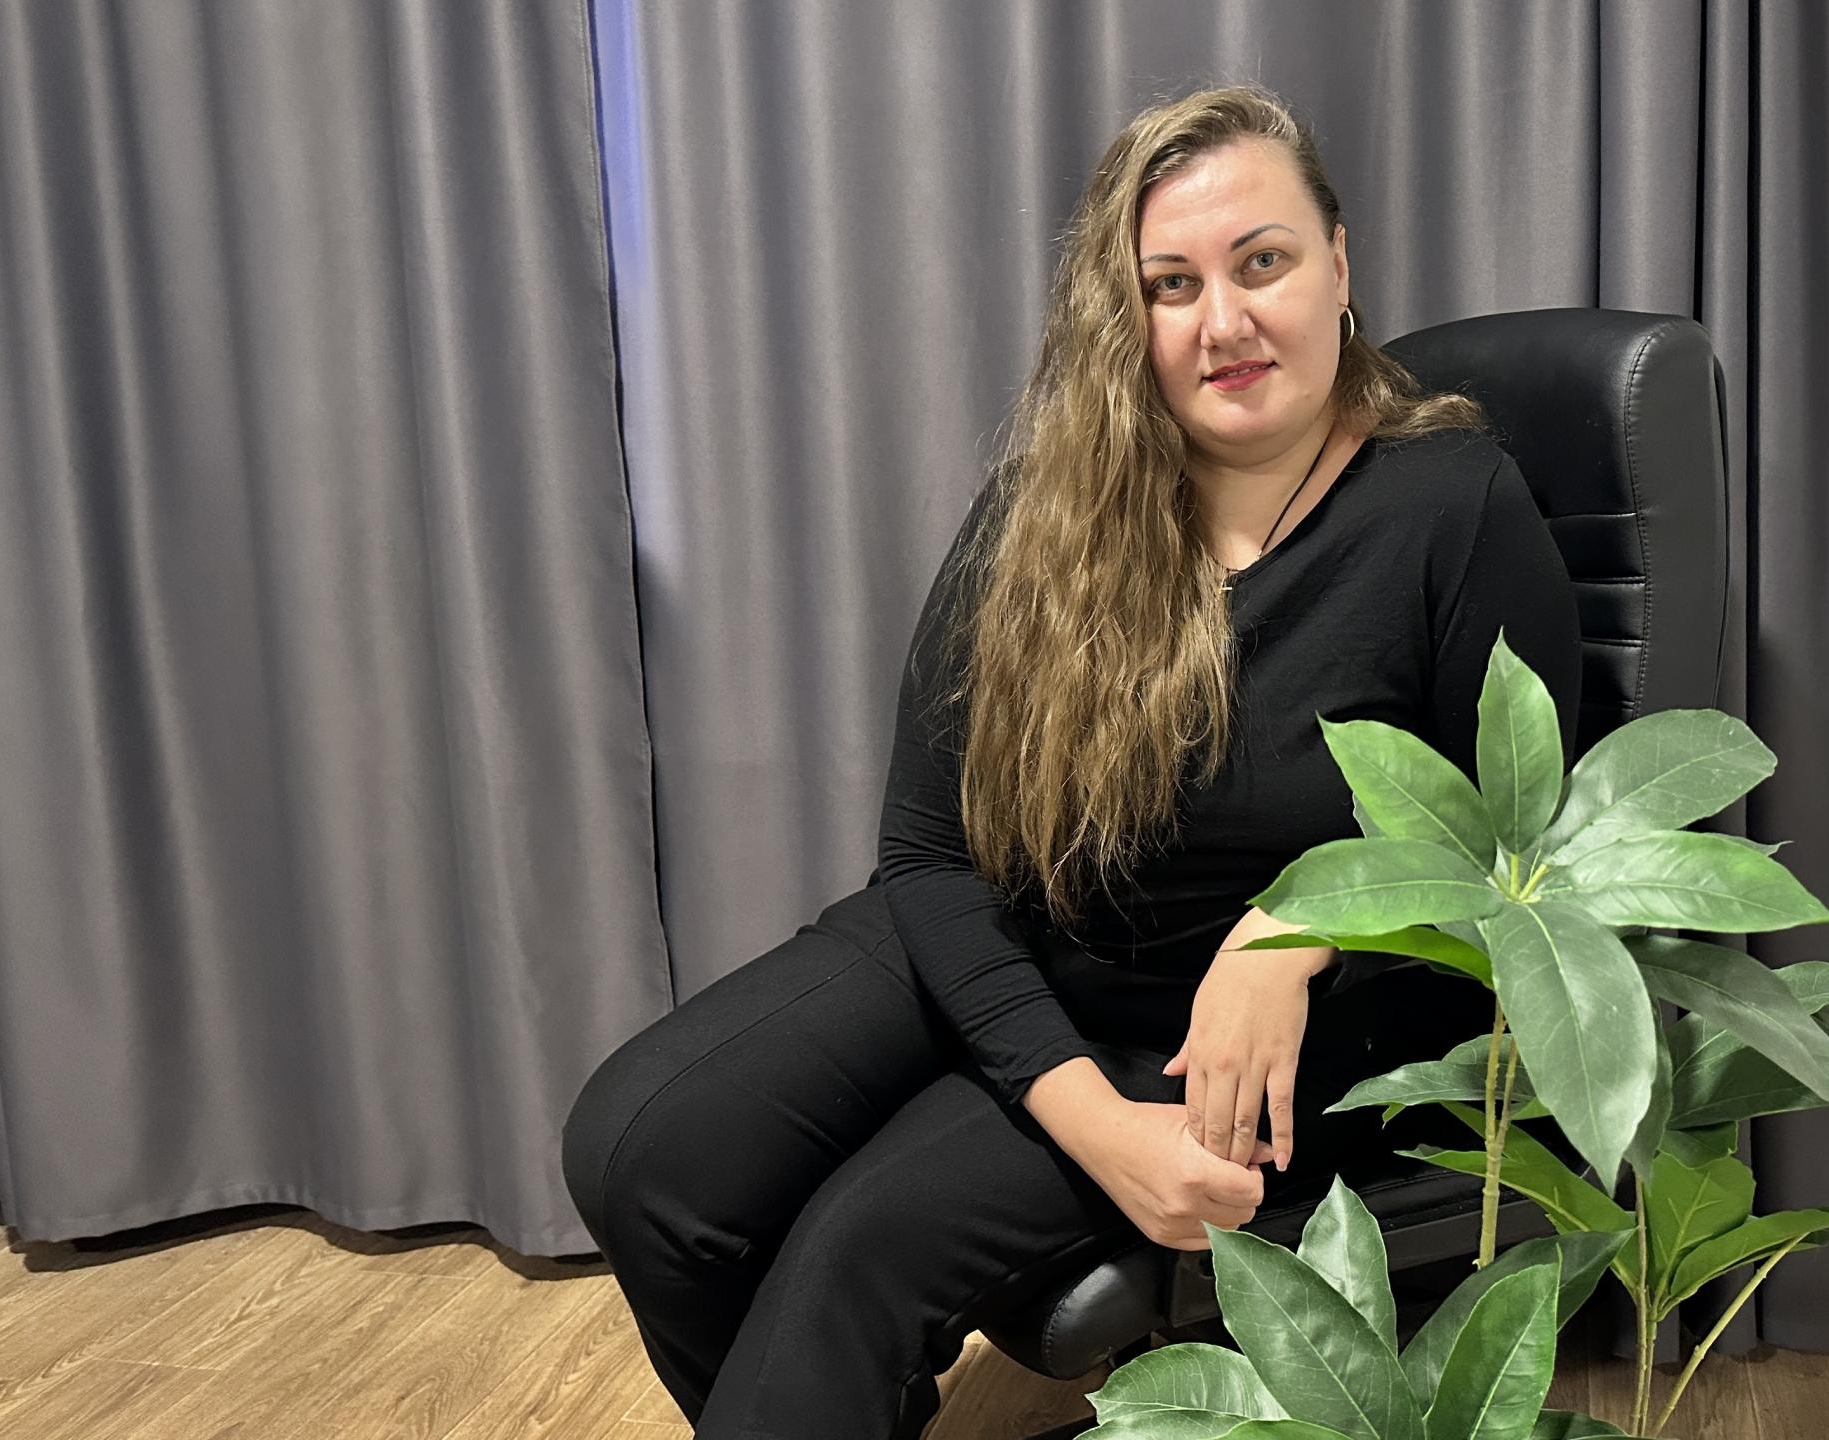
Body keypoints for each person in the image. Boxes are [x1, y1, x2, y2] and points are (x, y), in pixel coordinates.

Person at [559, 82, 1582, 1439]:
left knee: (857, 1252)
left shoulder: (1452, 503)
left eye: (1262, 261)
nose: (1224, 321)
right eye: (1172, 285)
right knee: (641, 1153)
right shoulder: (1060, 500)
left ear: (1339, 265)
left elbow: (1516, 851)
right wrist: (1086, 1116)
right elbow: (928, 853)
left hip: (1217, 1028)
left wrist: (1298, 928)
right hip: (1010, 945)